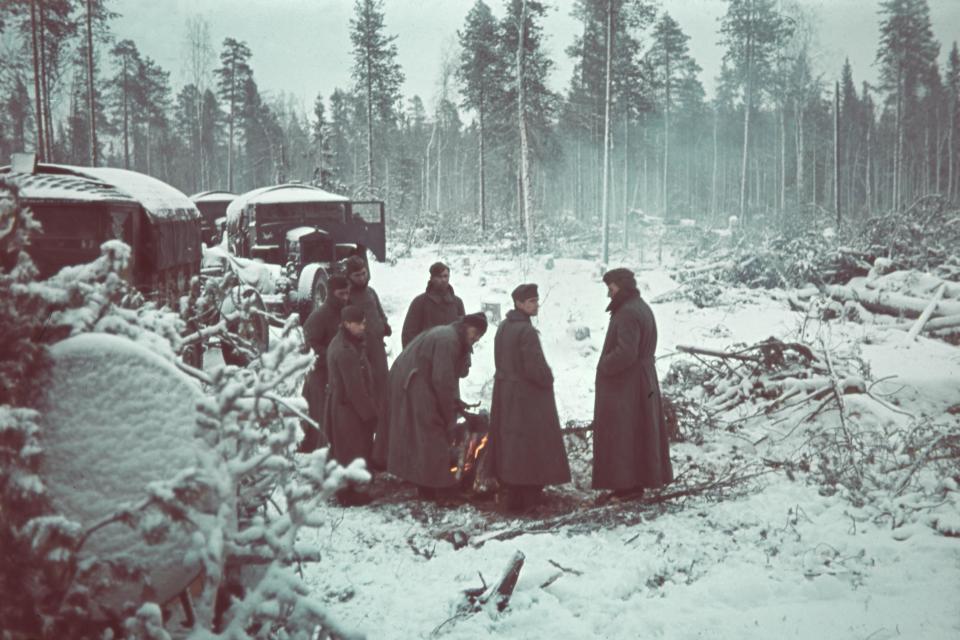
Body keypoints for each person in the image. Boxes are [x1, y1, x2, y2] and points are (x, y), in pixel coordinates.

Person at [382, 312, 488, 499]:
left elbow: (447, 377)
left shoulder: (451, 335)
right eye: (475, 332)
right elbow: (443, 381)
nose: (476, 337)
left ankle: (427, 486)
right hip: (414, 383)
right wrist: (449, 419)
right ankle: (443, 490)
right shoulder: (448, 340)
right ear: (465, 326)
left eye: (480, 335)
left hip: (416, 380)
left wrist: (454, 404)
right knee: (434, 433)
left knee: (426, 435)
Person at [592, 268, 673, 500]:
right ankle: (634, 483)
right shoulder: (641, 307)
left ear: (622, 287)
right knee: (639, 431)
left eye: (611, 289)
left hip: (627, 384)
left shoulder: (627, 312)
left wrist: (603, 366)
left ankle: (626, 486)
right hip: (642, 379)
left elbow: (626, 353)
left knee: (623, 432)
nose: (609, 295)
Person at [489, 283, 570, 512]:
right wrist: (548, 379)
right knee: (531, 444)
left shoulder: (504, 326)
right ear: (519, 303)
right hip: (526, 396)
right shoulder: (526, 331)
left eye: (536, 300)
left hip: (506, 393)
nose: (536, 305)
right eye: (531, 301)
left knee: (513, 443)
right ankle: (530, 496)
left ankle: (515, 495)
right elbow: (535, 368)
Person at [325, 305, 379, 506]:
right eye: (360, 323)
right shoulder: (345, 350)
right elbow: (355, 388)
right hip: (349, 410)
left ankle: (347, 490)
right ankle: (351, 494)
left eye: (364, 322)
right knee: (352, 451)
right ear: (347, 324)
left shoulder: (349, 343)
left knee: (346, 450)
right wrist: (370, 415)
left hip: (346, 407)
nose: (364, 327)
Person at [299, 275, 350, 453]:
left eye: (347, 293)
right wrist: (331, 355)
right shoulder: (319, 315)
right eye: (340, 294)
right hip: (320, 375)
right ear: (330, 293)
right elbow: (306, 345)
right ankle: (317, 450)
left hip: (337, 375)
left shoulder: (345, 312)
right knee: (320, 415)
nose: (344, 297)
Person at [345, 255, 391, 412]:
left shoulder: (371, 292)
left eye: (364, 273)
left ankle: (384, 415)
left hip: (377, 345)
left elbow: (379, 311)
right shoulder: (347, 296)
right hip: (360, 349)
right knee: (367, 383)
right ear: (349, 277)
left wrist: (384, 325)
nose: (362, 278)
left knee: (383, 382)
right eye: (357, 275)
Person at [400, 261, 466, 348]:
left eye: (445, 276)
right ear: (431, 278)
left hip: (452, 356)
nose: (443, 280)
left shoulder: (457, 303)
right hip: (426, 357)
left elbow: (464, 333)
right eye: (439, 276)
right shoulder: (420, 302)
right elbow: (408, 335)